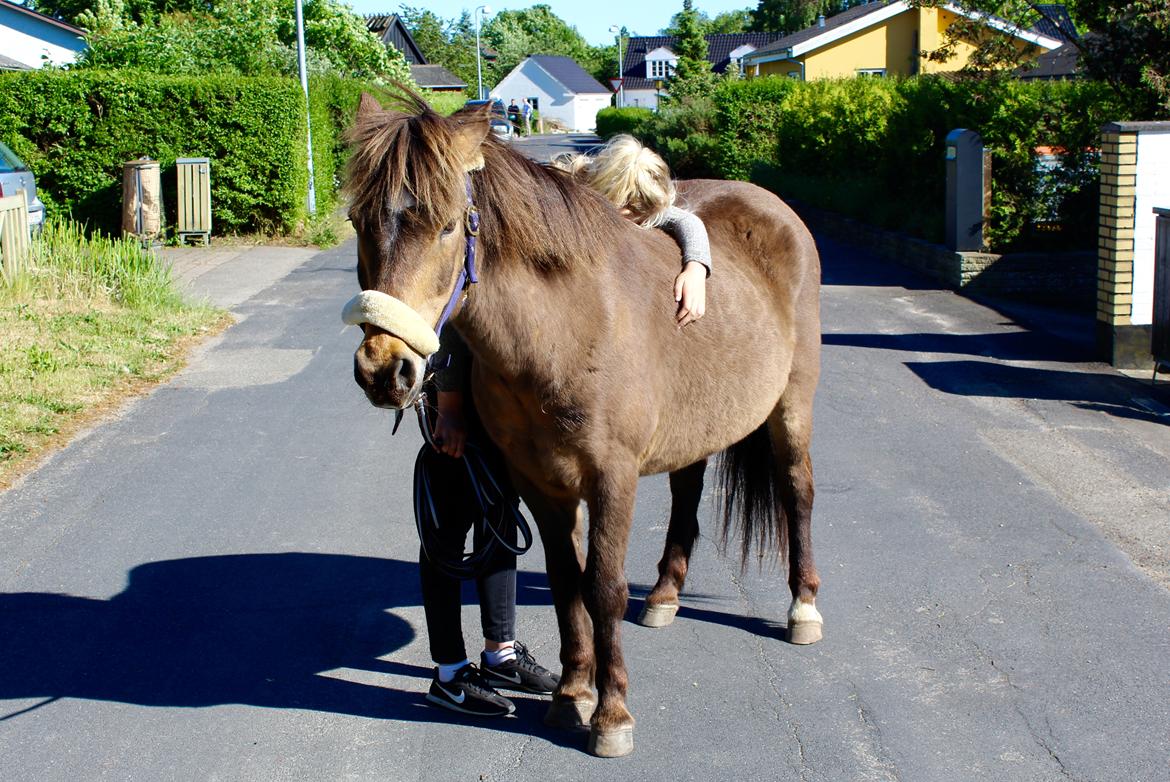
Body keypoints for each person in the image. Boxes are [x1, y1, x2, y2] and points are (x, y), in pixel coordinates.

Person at [422, 136, 710, 717]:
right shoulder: (557, 201)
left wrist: (697, 264)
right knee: (448, 528)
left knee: (500, 527)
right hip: (476, 392)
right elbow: (459, 306)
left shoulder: (630, 216)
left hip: (525, 401)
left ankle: (500, 651)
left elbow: (679, 217)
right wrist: (450, 401)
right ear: (596, 199)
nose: (632, 231)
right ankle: (450, 671)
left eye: (641, 222)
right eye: (625, 217)